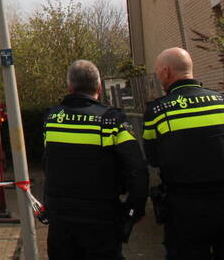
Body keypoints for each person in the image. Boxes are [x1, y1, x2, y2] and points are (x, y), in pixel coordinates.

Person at [42, 59, 147, 260]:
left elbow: (49, 163)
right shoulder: (111, 121)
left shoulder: (51, 120)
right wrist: (133, 211)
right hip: (101, 220)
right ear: (99, 87)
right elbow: (137, 169)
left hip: (61, 221)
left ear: (70, 87)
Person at [143, 47, 224, 258]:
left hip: (185, 208)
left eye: (158, 71)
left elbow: (152, 158)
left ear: (166, 72)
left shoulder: (158, 112)